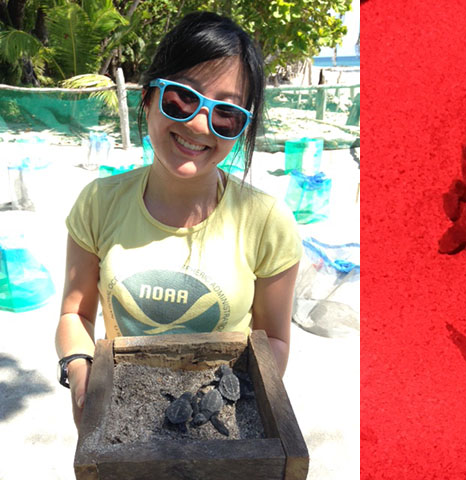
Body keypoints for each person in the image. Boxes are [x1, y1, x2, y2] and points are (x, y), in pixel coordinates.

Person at [54, 12, 301, 429]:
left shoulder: (268, 221)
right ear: (148, 97)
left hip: (214, 427)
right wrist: (79, 371)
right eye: (182, 99)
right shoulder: (97, 202)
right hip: (117, 421)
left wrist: (220, 403)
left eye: (226, 113)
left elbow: (273, 341)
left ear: (241, 128)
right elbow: (75, 315)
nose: (198, 123)